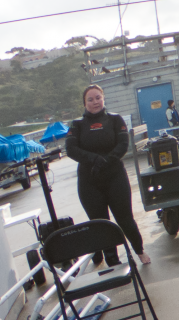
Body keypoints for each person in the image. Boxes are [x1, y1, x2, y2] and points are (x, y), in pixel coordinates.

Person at [64, 84, 150, 267]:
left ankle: (139, 251)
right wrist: (94, 159)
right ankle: (112, 258)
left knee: (125, 218)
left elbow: (123, 144)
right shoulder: (77, 124)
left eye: (98, 98)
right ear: (84, 103)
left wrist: (107, 160)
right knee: (100, 222)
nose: (95, 102)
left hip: (114, 176)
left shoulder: (115, 120)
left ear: (103, 99)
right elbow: (71, 149)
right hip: (90, 180)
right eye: (90, 99)